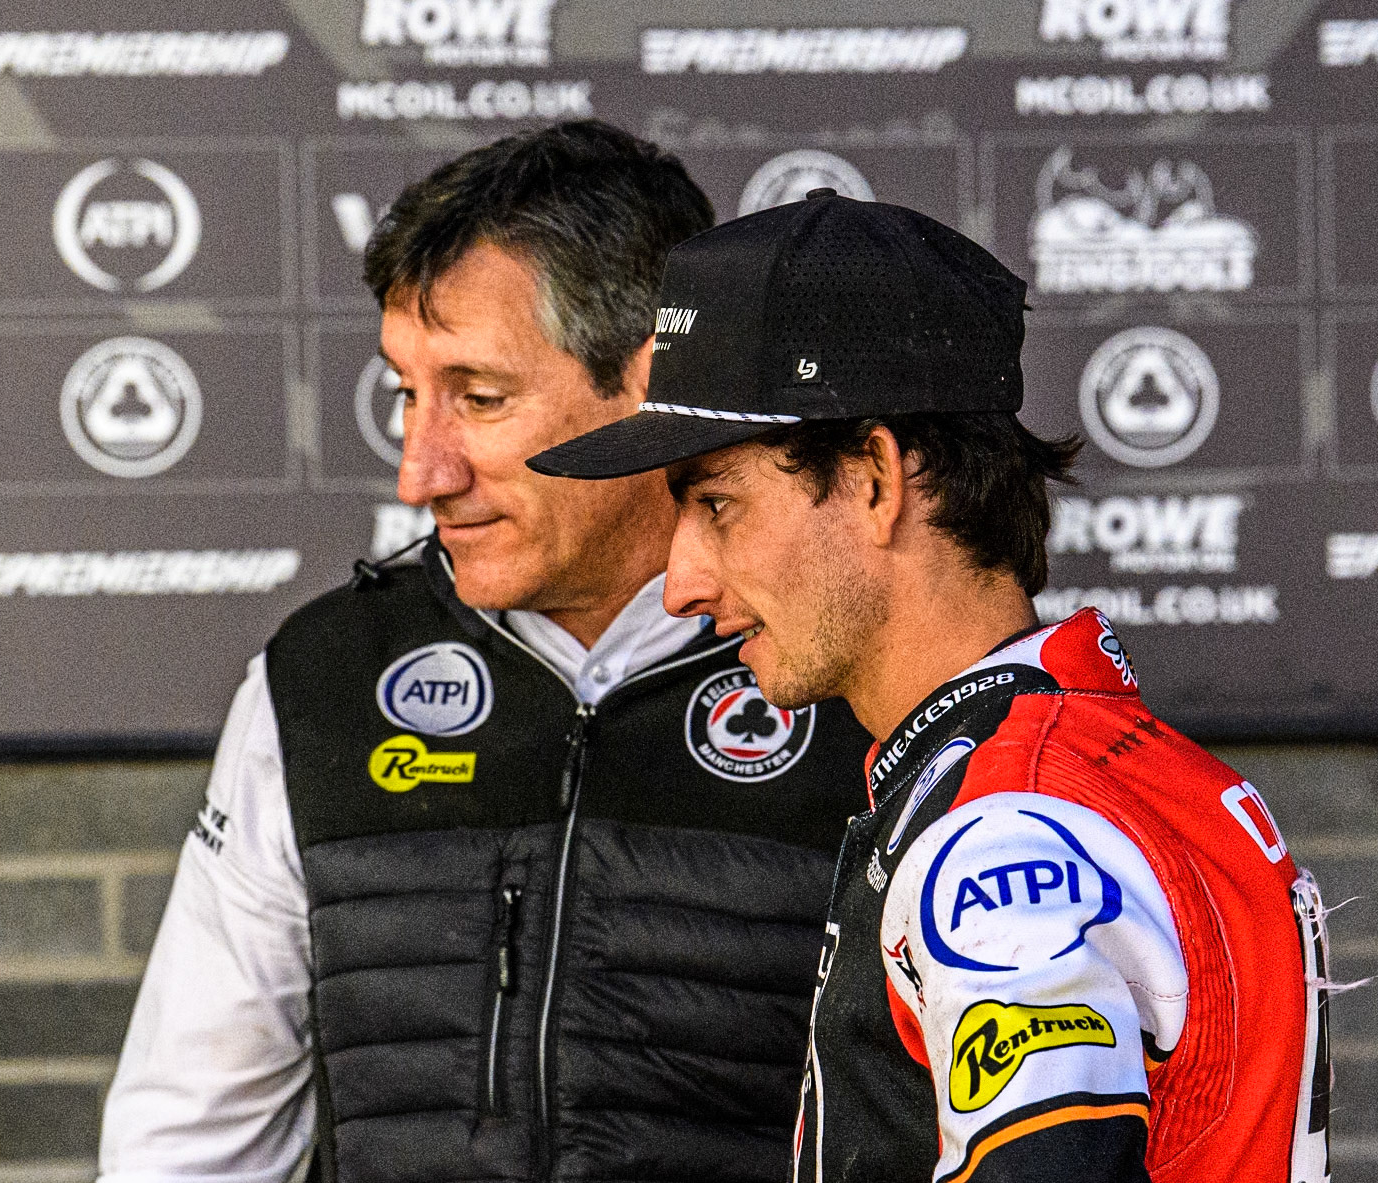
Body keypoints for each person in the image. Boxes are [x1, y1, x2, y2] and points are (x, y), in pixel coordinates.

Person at [99, 124, 874, 1183]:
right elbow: (186, 1143)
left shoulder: (858, 676)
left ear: (649, 385)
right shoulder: (320, 679)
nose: (421, 471)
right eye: (408, 394)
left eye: (478, 396)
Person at [528, 191, 1334, 1183]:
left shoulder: (1002, 833)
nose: (683, 581)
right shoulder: (1101, 766)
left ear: (872, 476)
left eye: (716, 502)